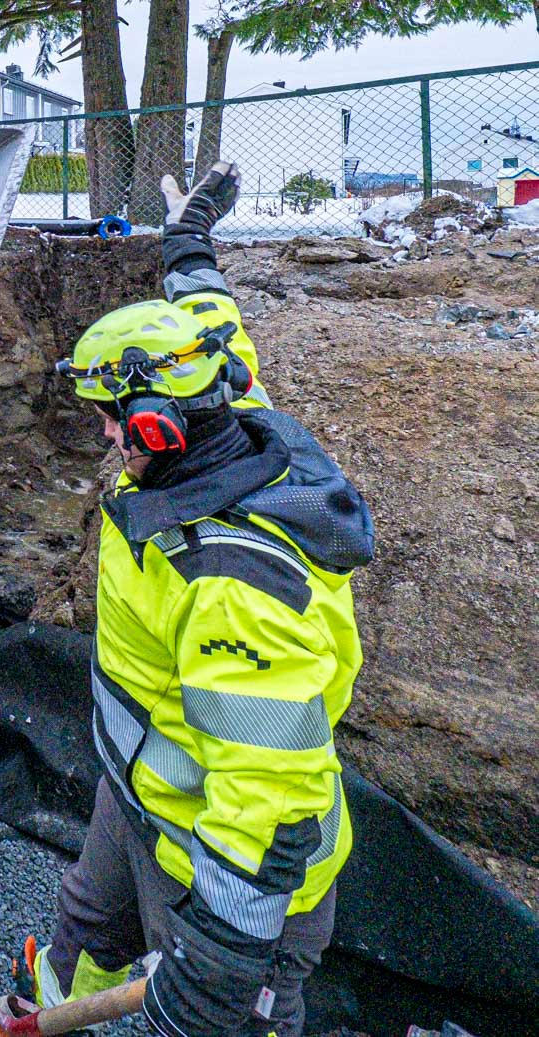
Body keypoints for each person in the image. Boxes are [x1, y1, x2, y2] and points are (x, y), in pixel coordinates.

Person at [34, 162, 375, 1037]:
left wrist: (216, 966)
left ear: (157, 421)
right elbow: (208, 311)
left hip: (237, 874)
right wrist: (190, 235)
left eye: (113, 417)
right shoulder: (229, 394)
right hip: (147, 797)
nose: (107, 434)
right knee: (75, 951)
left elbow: (272, 795)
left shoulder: (233, 586)